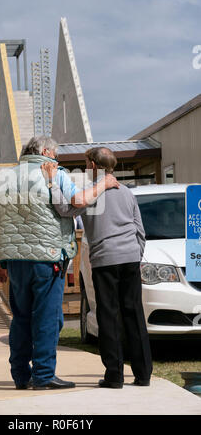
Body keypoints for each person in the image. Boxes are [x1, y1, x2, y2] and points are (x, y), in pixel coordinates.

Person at [0, 137, 119, 390]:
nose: (57, 159)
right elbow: (77, 202)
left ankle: (20, 375)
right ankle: (44, 375)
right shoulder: (54, 173)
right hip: (47, 258)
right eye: (55, 154)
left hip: (15, 261)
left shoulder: (5, 177)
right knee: (48, 318)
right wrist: (103, 183)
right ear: (45, 152)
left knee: (21, 318)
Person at [41, 147, 153, 389]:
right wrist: (136, 253)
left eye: (86, 164)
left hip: (105, 259)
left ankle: (115, 375)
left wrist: (52, 183)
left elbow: (64, 209)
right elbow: (139, 229)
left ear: (93, 165)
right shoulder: (127, 193)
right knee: (134, 314)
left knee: (108, 315)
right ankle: (143, 374)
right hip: (131, 257)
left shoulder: (90, 195)